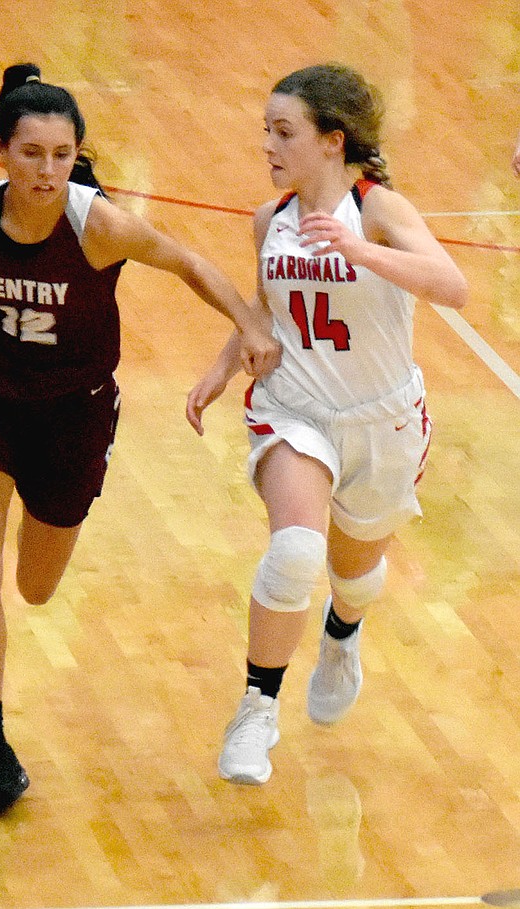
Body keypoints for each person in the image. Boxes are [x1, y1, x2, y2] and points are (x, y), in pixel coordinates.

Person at [0, 63, 280, 818]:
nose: (46, 169)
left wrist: (249, 319)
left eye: (61, 154)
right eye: (30, 152)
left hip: (74, 415)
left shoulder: (97, 224)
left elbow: (189, 262)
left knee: (35, 586)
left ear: (77, 156)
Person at [186, 63, 468, 785]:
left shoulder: (378, 210)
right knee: (294, 553)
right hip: (295, 410)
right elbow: (267, 308)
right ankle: (257, 706)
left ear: (332, 141)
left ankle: (343, 633)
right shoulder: (269, 219)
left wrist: (364, 252)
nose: (269, 146)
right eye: (267, 131)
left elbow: (454, 286)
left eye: (284, 133)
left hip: (382, 421)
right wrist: (223, 367)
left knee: (352, 572)